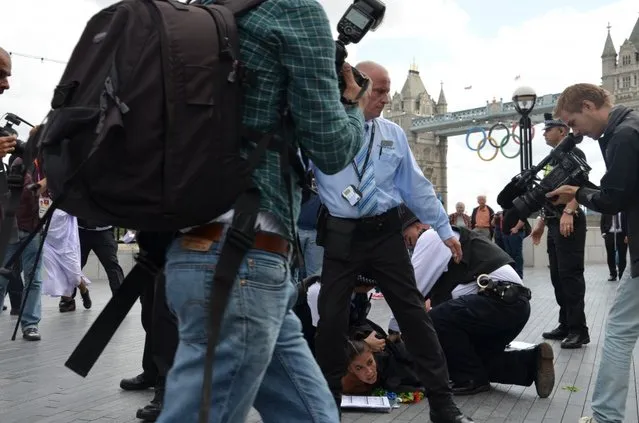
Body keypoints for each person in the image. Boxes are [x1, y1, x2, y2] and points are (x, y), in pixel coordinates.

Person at [157, 1, 372, 422]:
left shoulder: (210, 11)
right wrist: (351, 103)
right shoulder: (295, 11)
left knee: (311, 413)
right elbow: (330, 148)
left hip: (196, 248)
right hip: (246, 258)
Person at [313, 60, 472, 423]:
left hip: (386, 233)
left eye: (389, 91)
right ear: (356, 87)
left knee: (414, 316)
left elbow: (416, 188)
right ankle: (326, 404)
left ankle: (443, 405)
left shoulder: (393, 134)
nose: (386, 98)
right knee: (332, 318)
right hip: (342, 235)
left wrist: (445, 232)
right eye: (380, 90)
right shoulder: (324, 129)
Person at [546, 83, 639, 423]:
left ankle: (605, 416)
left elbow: (613, 199)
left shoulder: (624, 136)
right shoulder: (631, 125)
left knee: (618, 329)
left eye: (572, 122)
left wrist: (577, 192)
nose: (574, 132)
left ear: (588, 106)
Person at [395, 207, 554, 399]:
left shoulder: (432, 236)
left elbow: (411, 292)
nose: (405, 243)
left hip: (499, 303)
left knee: (436, 320)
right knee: (470, 360)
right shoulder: (449, 243)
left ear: (419, 225)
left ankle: (470, 380)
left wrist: (394, 334)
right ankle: (532, 362)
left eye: (404, 235)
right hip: (512, 307)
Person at [530, 112, 589, 349]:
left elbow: (581, 186)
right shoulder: (553, 158)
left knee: (570, 275)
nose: (544, 133)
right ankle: (565, 323)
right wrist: (542, 222)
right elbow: (548, 195)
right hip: (554, 221)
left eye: (548, 129)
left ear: (562, 131)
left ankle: (579, 330)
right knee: (557, 276)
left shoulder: (575, 152)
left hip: (569, 220)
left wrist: (570, 211)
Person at [600, 212, 627, 281]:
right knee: (610, 255)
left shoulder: (624, 210)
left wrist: (628, 235)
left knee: (622, 256)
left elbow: (628, 223)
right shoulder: (607, 209)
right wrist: (603, 233)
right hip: (609, 235)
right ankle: (613, 274)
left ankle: (621, 275)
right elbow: (602, 221)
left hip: (622, 235)